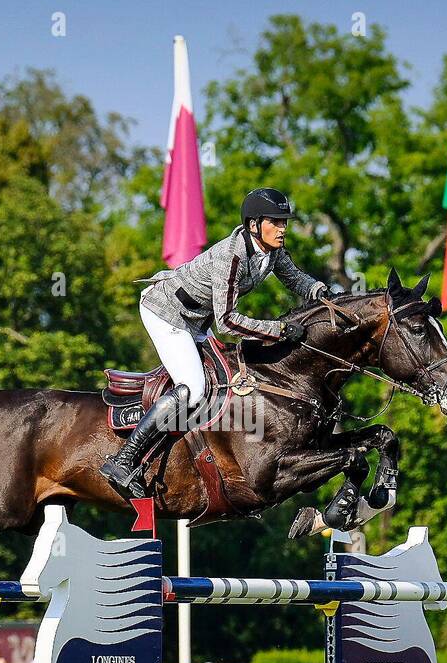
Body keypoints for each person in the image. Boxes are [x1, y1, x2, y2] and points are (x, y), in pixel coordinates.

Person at [100, 187, 330, 499]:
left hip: (197, 318)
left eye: (284, 222)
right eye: (275, 222)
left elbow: (295, 278)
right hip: (167, 313)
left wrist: (322, 292)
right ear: (253, 225)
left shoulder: (271, 251)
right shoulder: (231, 256)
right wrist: (278, 329)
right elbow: (228, 322)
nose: (282, 228)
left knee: (226, 381)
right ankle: (123, 460)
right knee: (193, 388)